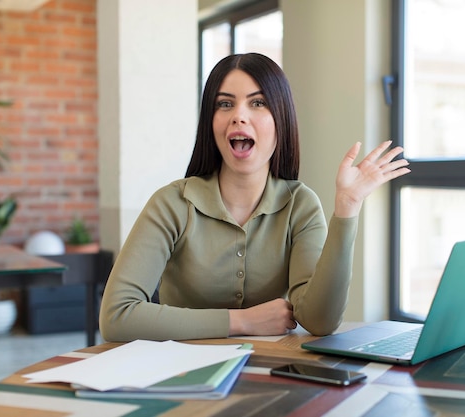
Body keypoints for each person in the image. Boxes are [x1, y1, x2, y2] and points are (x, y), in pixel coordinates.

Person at [99, 53, 410, 342]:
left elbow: (320, 321)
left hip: (270, 374)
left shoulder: (300, 205)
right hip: (179, 377)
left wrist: (347, 207)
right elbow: (117, 316)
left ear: (281, 119)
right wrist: (241, 322)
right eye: (224, 104)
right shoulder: (171, 204)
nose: (239, 116)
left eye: (258, 103)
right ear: (211, 122)